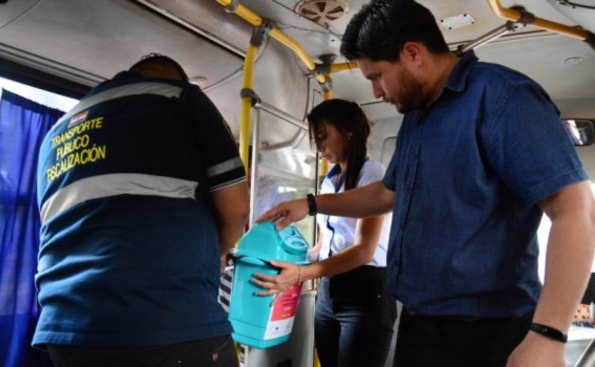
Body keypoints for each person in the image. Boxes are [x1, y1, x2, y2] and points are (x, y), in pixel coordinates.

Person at [255, 1, 595, 366]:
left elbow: (575, 210)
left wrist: (548, 335)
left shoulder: (502, 98)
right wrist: (311, 204)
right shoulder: (417, 117)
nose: (376, 94)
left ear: (413, 53)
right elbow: (387, 193)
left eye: (376, 77)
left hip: (487, 334)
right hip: (418, 325)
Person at [33, 54, 250, 367]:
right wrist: (218, 253)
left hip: (65, 332)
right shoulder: (181, 98)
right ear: (173, 80)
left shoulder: (54, 135)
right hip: (165, 320)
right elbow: (237, 208)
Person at [252, 99, 397, 367]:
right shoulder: (330, 180)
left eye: (323, 137)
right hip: (329, 294)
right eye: (315, 140)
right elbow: (325, 244)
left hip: (365, 294)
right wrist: (290, 260)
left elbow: (364, 250)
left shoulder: (373, 175)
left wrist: (301, 275)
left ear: (348, 132)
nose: (319, 148)